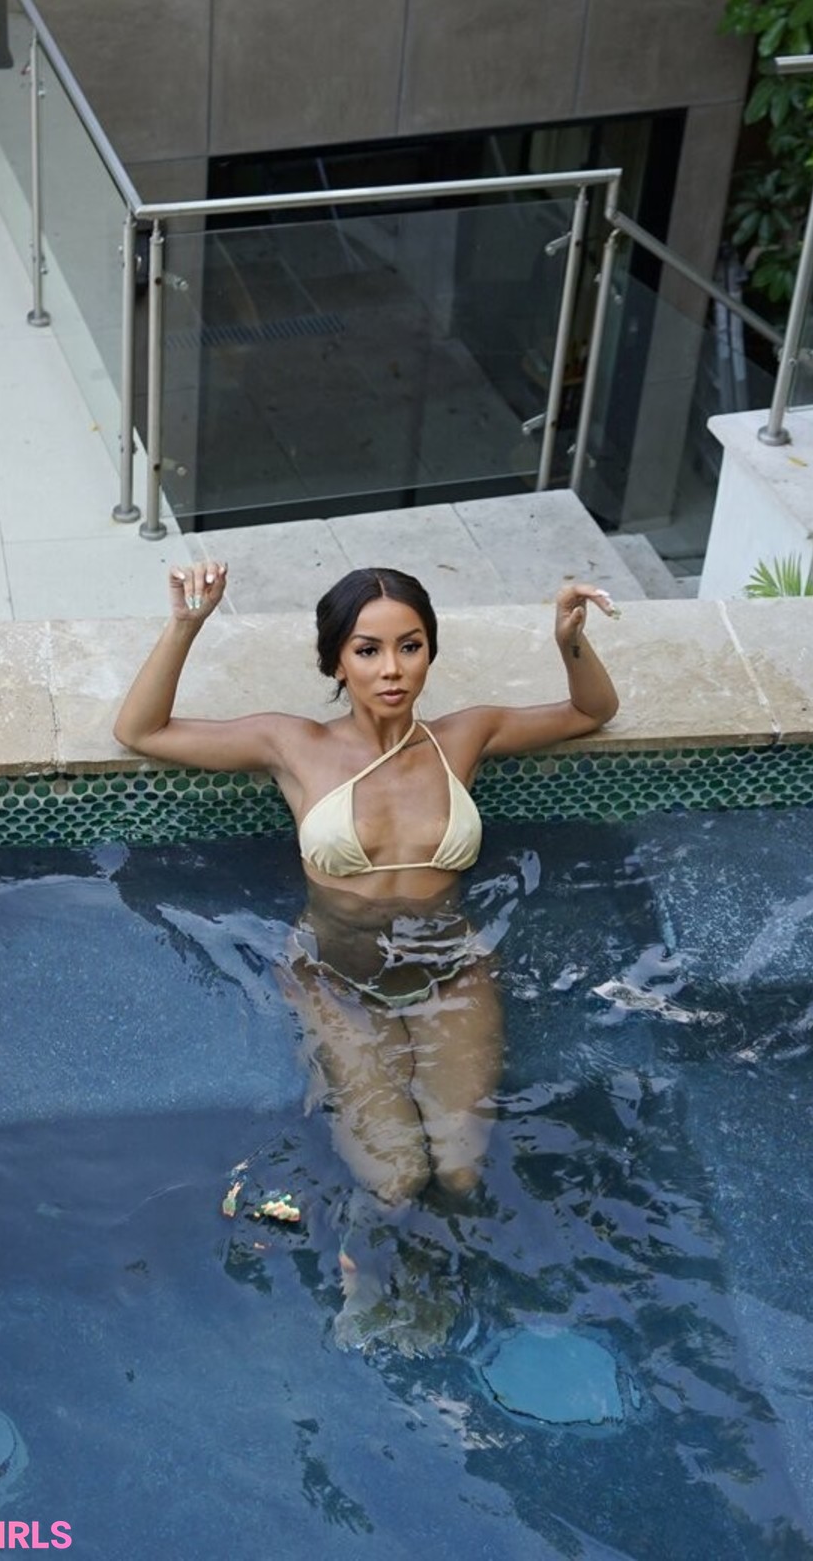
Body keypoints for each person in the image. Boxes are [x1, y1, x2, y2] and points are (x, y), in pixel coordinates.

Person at [113, 560, 619, 1350]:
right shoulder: (295, 745)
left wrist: (568, 637)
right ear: (336, 662)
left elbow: (592, 711)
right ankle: (364, 1266)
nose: (392, 669)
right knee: (396, 1173)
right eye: (368, 650)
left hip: (451, 976)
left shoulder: (463, 737)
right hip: (336, 980)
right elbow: (141, 731)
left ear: (430, 653)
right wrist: (187, 624)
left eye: (410, 647)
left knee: (458, 1171)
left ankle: (434, 1277)